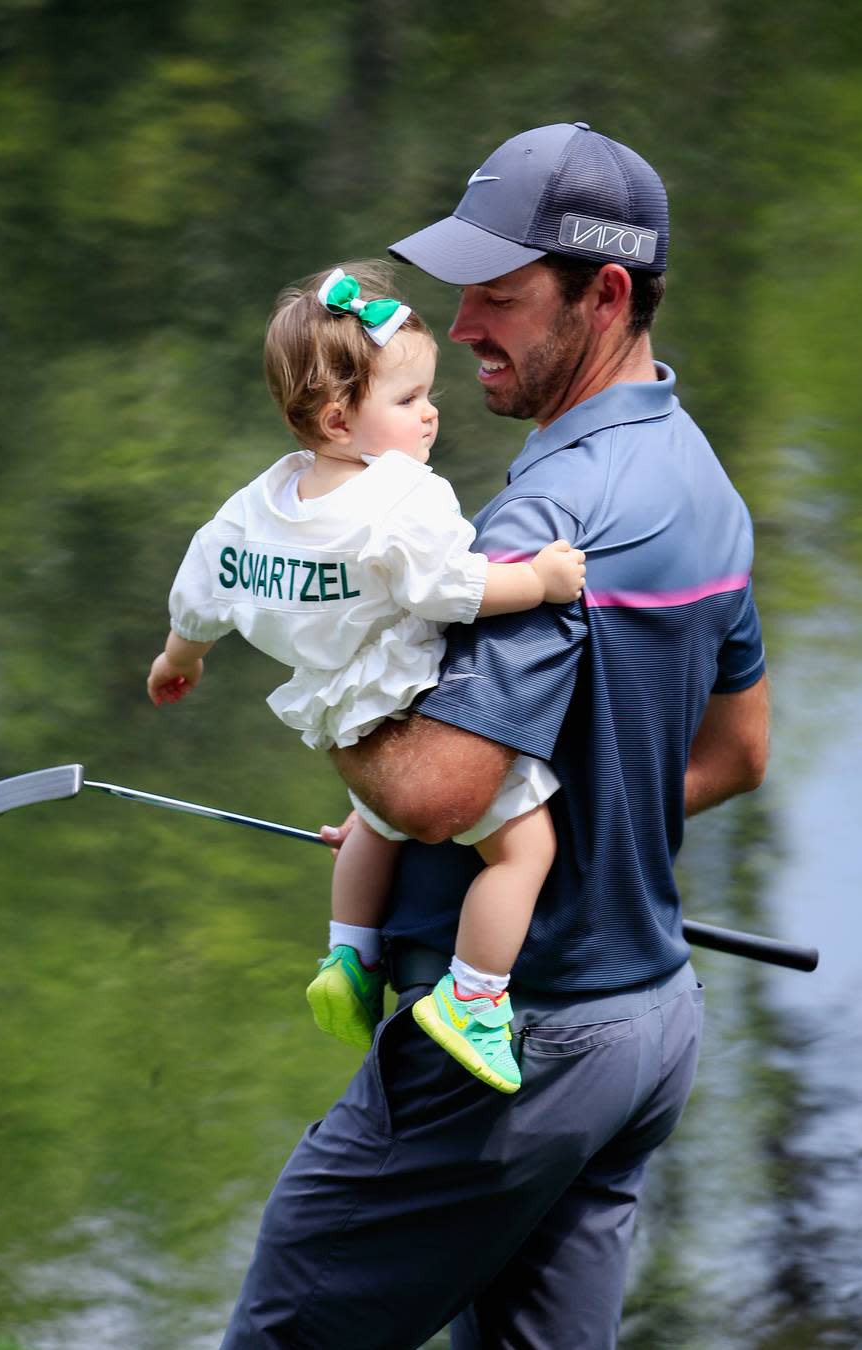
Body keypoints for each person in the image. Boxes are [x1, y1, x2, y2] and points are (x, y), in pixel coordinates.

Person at [219, 123, 769, 1349]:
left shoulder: (540, 523)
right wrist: (459, 836)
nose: (463, 327)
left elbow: (433, 787)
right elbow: (734, 756)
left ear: (606, 292)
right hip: (646, 1025)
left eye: (502, 297)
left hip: (516, 1046)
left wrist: (326, 687)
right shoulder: (700, 480)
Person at [146, 261, 586, 1095]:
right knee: (525, 851)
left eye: (429, 394)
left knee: (371, 825)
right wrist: (543, 580)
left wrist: (180, 660)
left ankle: (349, 956)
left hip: (339, 713)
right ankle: (476, 1001)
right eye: (410, 399)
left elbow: (201, 591)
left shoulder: (259, 503)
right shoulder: (401, 497)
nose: (431, 413)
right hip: (416, 702)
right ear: (339, 416)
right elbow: (453, 591)